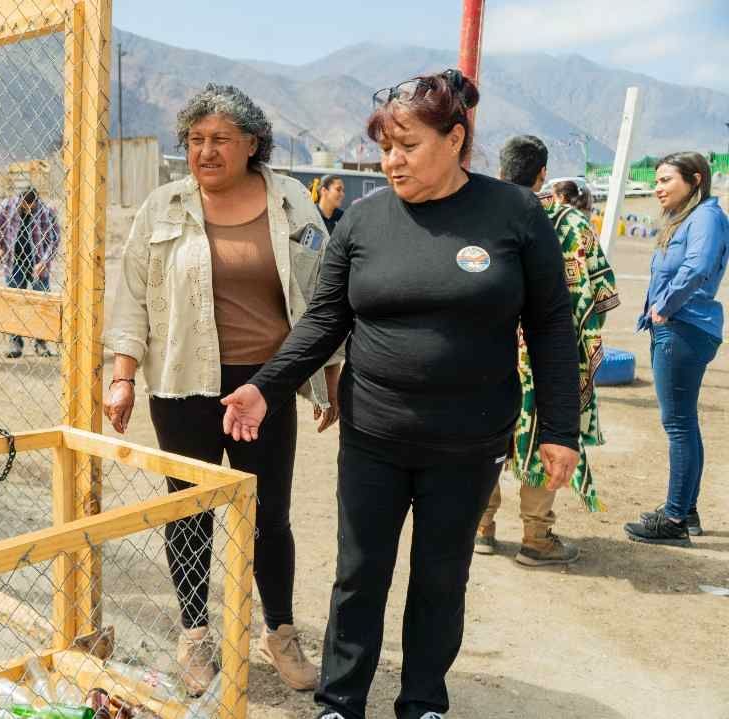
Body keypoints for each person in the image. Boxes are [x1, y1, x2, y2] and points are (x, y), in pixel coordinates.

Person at [220, 70, 580, 719]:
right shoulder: (363, 220)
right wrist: (264, 387)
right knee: (360, 572)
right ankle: (340, 700)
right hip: (374, 434)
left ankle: (422, 702)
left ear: (456, 139)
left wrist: (560, 426)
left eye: (407, 145)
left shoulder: (514, 214)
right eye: (386, 146)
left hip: (469, 439)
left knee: (442, 575)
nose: (392, 160)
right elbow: (324, 320)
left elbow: (551, 321)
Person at [104, 83, 343, 696]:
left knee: (271, 515)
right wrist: (123, 375)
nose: (204, 151)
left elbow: (325, 296)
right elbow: (131, 295)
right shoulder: (164, 208)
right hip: (183, 384)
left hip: (267, 386)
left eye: (219, 140)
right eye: (195, 140)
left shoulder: (291, 202)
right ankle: (194, 634)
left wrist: (330, 376)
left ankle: (279, 631)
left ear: (252, 145)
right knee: (189, 514)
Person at [475, 136, 620, 567]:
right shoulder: (573, 224)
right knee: (546, 434)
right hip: (552, 356)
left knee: (485, 433)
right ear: (542, 175)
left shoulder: (480, 217)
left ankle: (481, 527)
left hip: (489, 352)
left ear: (502, 171)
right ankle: (536, 537)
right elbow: (601, 294)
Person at [625, 152, 727, 546]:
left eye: (666, 179)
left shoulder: (705, 216)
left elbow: (698, 267)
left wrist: (663, 307)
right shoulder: (691, 217)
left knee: (678, 425)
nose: (657, 187)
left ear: (695, 179)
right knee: (685, 423)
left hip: (683, 328)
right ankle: (687, 508)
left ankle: (673, 519)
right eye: (656, 180)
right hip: (683, 328)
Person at [0, 187, 59, 358]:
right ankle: (15, 343)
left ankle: (41, 344)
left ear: (35, 202)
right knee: (15, 302)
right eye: (23, 205)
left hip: (38, 264)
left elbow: (54, 238)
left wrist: (44, 261)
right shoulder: (8, 206)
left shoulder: (46, 212)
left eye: (29, 206)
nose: (26, 209)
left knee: (41, 304)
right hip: (14, 262)